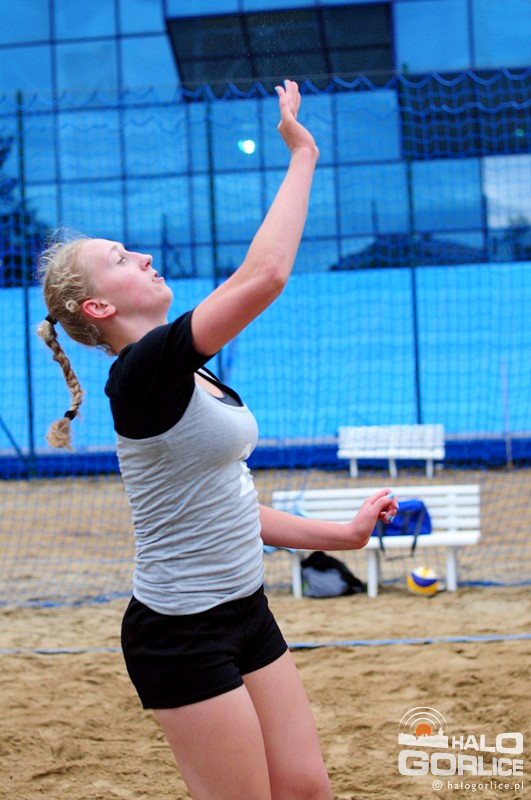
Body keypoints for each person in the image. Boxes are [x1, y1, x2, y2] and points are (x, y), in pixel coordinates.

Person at [38, 80, 398, 800]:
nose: (144, 255)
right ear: (99, 305)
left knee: (308, 791)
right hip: (180, 633)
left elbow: (229, 507)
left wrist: (344, 535)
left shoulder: (193, 376)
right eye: (121, 257)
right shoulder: (140, 373)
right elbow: (265, 275)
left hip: (245, 608)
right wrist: (302, 154)